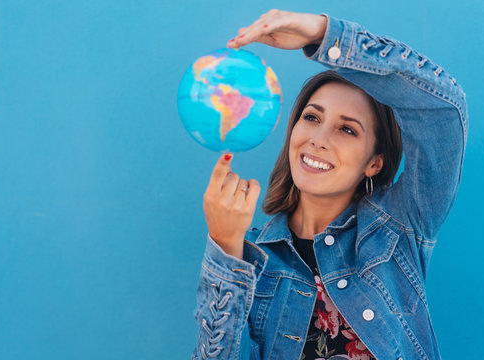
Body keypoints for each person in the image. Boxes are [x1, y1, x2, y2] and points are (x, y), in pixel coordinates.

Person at [192, 9, 467, 360]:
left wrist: (324, 35)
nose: (318, 140)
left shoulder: (398, 227)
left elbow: (443, 110)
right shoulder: (252, 257)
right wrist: (226, 248)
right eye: (311, 118)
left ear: (374, 163)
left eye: (347, 129)